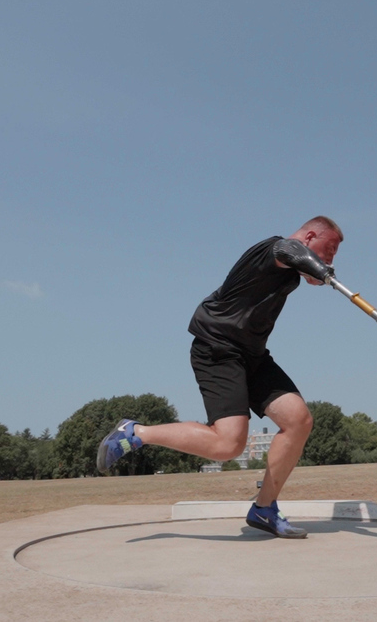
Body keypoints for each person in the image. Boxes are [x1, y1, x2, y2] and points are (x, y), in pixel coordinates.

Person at [96, 216, 343, 539]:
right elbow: (290, 250)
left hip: (252, 356)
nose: (331, 258)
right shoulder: (271, 250)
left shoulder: (292, 276)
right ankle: (135, 432)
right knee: (229, 443)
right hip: (217, 348)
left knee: (299, 420)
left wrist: (317, 270)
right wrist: (320, 268)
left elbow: (302, 265)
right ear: (311, 236)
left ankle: (264, 508)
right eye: (330, 249)